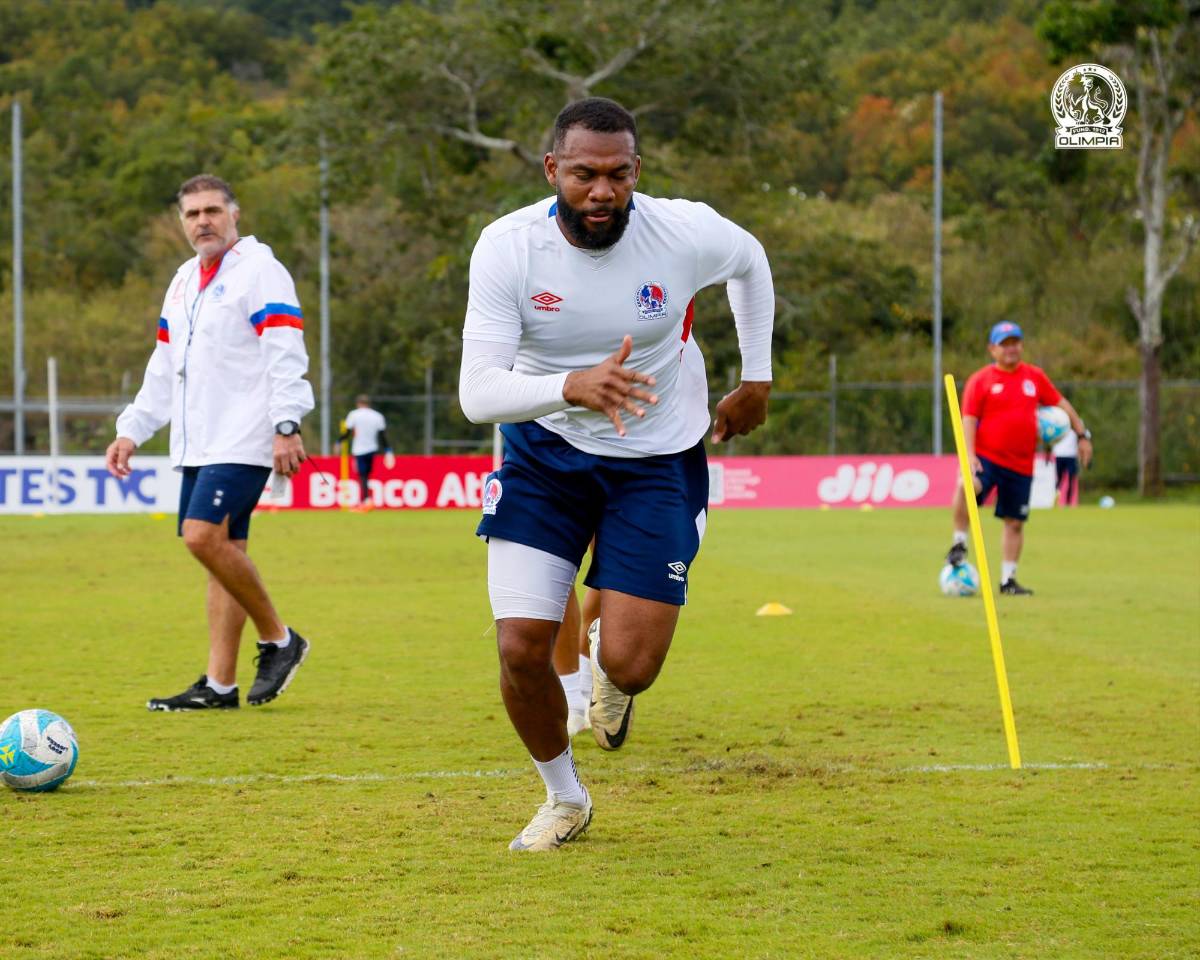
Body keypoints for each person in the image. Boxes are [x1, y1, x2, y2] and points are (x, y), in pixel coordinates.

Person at [459, 97, 773, 851]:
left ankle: (609, 672)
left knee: (632, 667)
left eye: (617, 174)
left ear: (637, 171)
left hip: (656, 460)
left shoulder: (683, 231)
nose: (601, 191)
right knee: (520, 648)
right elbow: (477, 393)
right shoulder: (508, 248)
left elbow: (751, 261)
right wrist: (570, 386)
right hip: (542, 457)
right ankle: (565, 798)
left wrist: (755, 377)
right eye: (583, 174)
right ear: (551, 170)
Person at [106, 174, 314, 711]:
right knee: (224, 552)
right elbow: (163, 368)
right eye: (193, 213)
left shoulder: (259, 270)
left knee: (201, 537)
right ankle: (220, 686)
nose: (203, 221)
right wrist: (131, 429)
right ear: (182, 222)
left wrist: (286, 423)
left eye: (213, 211)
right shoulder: (182, 281)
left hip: (244, 437)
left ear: (234, 214)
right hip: (198, 442)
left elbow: (284, 349)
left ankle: (280, 639)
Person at [945, 321, 1092, 595]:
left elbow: (1061, 405)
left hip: (1021, 463)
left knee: (1014, 522)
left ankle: (1008, 580)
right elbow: (968, 419)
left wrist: (1083, 434)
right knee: (968, 486)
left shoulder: (1034, 377)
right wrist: (969, 455)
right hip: (987, 458)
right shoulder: (981, 380)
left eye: (1015, 342)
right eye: (1005, 344)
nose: (1011, 349)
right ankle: (959, 543)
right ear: (992, 349)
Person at [339, 394, 391, 509]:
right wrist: (388, 449)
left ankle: (365, 501)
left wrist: (338, 442)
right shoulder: (377, 416)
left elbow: (347, 432)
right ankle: (366, 500)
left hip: (359, 450)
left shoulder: (354, 414)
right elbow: (382, 435)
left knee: (362, 476)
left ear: (358, 403)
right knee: (367, 475)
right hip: (372, 449)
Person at [1051, 428, 1080, 506]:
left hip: (1071, 456)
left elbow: (1084, 435)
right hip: (1058, 455)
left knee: (1071, 479)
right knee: (1058, 480)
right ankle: (1056, 500)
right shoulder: (1057, 419)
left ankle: (1069, 502)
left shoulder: (1077, 422)